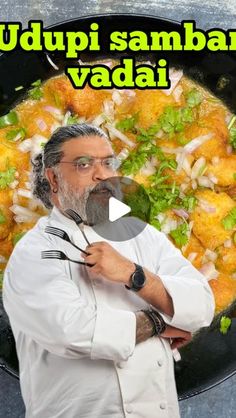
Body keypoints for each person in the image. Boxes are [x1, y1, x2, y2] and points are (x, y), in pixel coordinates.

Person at [3, 123, 215, 418]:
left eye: (108, 162)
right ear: (53, 178)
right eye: (84, 164)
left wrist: (133, 274)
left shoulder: (141, 234)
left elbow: (202, 304)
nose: (103, 174)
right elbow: (76, 332)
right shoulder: (34, 252)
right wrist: (159, 321)